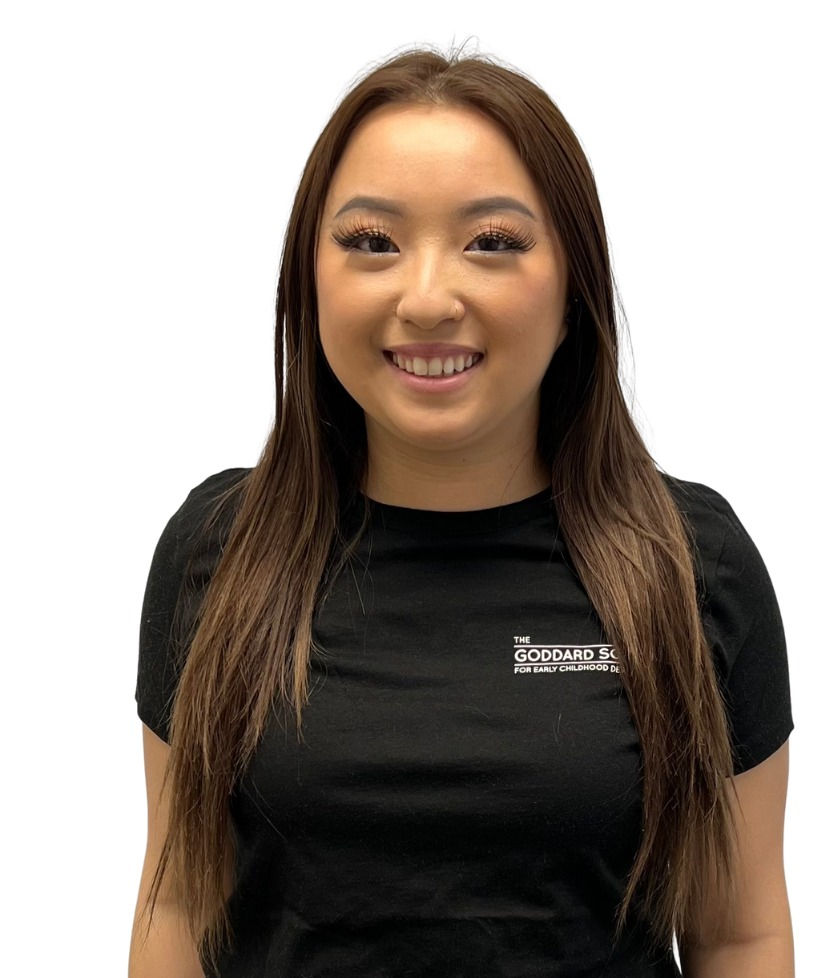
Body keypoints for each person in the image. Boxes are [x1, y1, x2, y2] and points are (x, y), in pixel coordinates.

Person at [129, 44, 795, 978]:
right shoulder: (218, 553)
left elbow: (740, 935)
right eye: (373, 241)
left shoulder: (691, 565)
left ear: (575, 289)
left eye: (493, 243)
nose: (428, 298)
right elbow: (176, 904)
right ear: (307, 280)